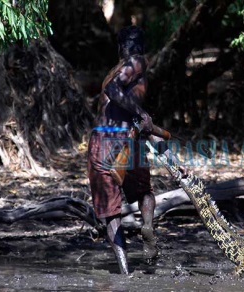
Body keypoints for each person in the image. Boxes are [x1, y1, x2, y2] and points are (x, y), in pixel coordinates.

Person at [87, 26, 160, 274]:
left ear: (120, 47)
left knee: (111, 212)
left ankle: (124, 271)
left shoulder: (113, 70)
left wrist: (145, 125)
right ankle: (147, 226)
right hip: (124, 139)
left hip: (101, 140)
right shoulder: (137, 61)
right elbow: (113, 91)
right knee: (145, 192)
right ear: (139, 47)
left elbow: (116, 98)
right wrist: (141, 113)